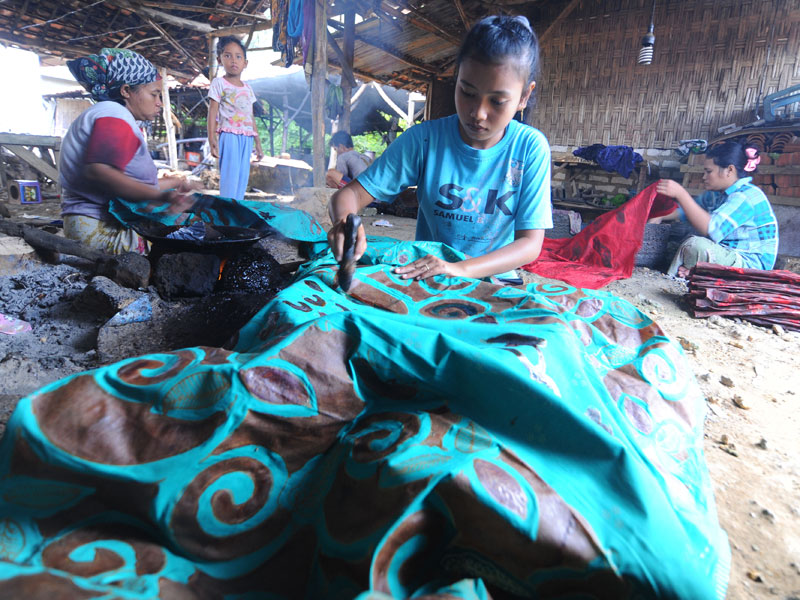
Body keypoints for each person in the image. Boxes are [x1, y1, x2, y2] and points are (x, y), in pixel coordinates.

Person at [327, 15, 551, 284]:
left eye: (498, 101)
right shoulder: (424, 141)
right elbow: (348, 196)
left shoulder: (530, 148)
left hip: (495, 278)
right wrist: (344, 224)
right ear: (456, 80)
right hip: (429, 274)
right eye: (467, 92)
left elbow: (529, 244)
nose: (478, 113)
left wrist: (461, 269)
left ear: (524, 97)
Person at [60, 49, 196, 255]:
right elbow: (100, 171)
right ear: (126, 91)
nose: (159, 102)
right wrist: (161, 196)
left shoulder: (109, 115)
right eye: (154, 94)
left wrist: (176, 183)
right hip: (100, 231)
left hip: (86, 227)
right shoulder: (115, 114)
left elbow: (124, 184)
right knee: (197, 232)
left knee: (188, 222)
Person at [654, 141, 779, 278]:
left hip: (749, 267)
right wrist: (659, 216)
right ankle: (697, 272)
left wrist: (681, 194)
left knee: (695, 245)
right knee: (674, 244)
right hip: (727, 254)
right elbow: (688, 211)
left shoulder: (746, 196)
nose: (704, 177)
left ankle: (695, 272)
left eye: (709, 172)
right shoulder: (717, 194)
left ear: (729, 170)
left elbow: (710, 228)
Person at [207, 36, 264, 201]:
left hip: (247, 138)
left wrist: (258, 143)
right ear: (220, 59)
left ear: (245, 63)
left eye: (238, 56)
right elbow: (212, 112)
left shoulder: (248, 88)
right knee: (230, 179)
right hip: (229, 135)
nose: (234, 60)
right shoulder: (219, 83)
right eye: (228, 55)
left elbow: (251, 116)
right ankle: (226, 213)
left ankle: (236, 212)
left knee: (241, 179)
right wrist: (212, 138)